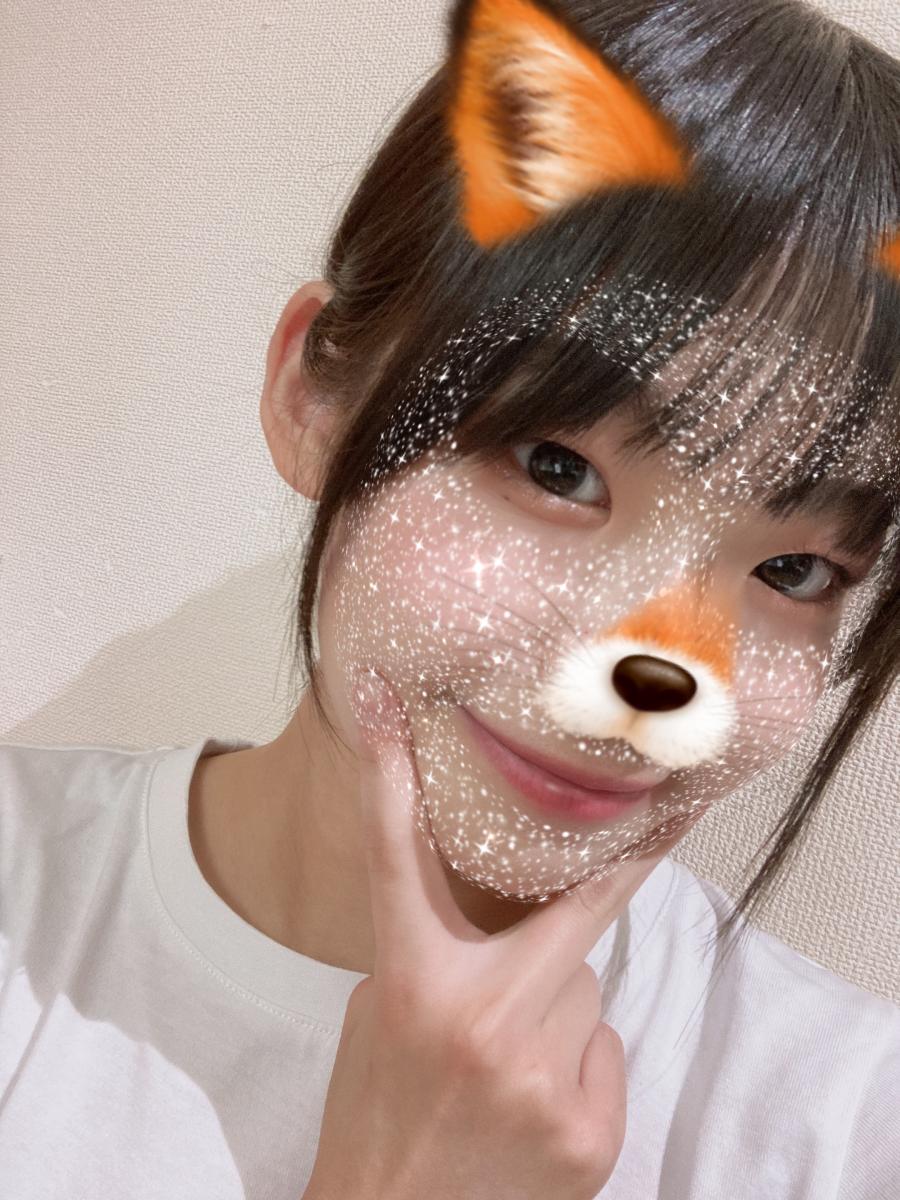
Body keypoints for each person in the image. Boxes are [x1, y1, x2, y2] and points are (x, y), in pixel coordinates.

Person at [1, 0, 899, 1196]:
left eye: (793, 571)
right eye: (556, 467)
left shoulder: (844, 1124)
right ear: (314, 396)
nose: (660, 670)